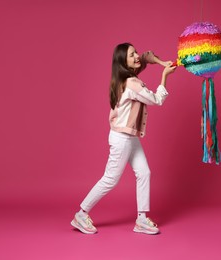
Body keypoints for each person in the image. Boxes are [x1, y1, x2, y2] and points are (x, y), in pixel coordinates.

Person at [71, 43, 176, 235]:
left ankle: (142, 219)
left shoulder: (123, 77)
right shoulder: (132, 83)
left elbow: (146, 57)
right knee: (110, 179)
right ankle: (81, 214)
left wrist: (159, 62)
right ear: (123, 62)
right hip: (122, 139)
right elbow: (156, 100)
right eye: (131, 55)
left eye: (135, 51)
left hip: (129, 137)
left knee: (144, 173)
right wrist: (164, 75)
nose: (137, 56)